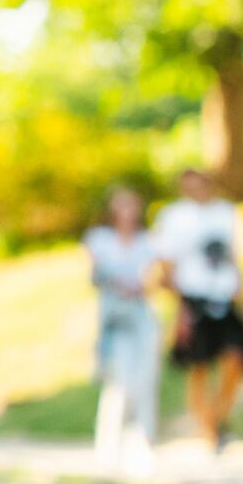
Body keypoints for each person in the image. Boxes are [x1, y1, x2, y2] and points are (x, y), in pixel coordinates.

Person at [158, 175, 243, 454]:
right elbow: (167, 267)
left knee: (236, 359)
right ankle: (209, 432)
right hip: (194, 298)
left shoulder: (225, 213)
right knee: (199, 367)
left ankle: (218, 416)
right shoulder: (174, 217)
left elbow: (234, 259)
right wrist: (181, 310)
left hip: (224, 295)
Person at [84, 184, 159, 462]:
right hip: (114, 315)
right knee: (119, 381)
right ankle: (109, 445)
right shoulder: (100, 239)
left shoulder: (147, 241)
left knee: (146, 377)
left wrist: (141, 285)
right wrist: (117, 282)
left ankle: (144, 439)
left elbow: (154, 277)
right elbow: (94, 275)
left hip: (141, 314)